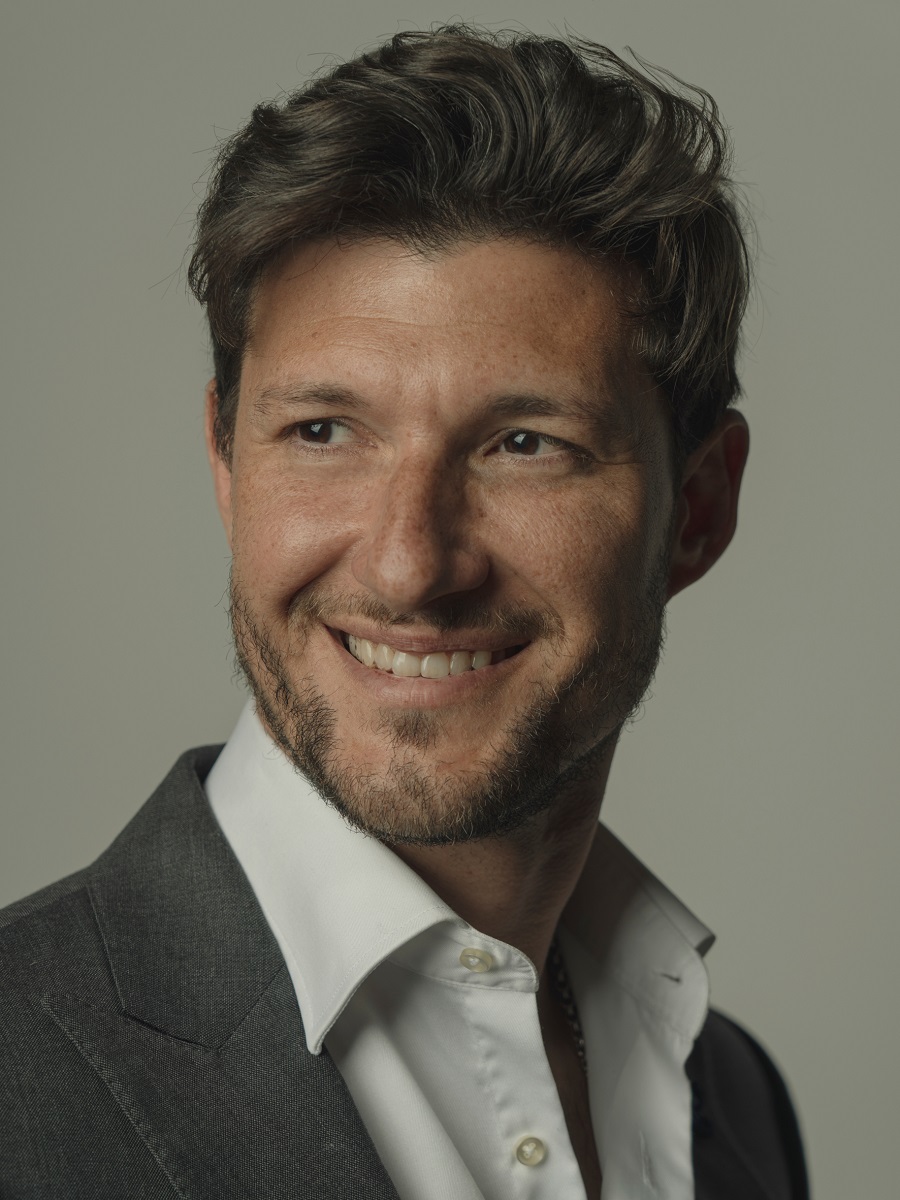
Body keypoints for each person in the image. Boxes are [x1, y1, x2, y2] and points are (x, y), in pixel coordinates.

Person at [0, 25, 808, 1200]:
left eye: (525, 444)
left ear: (699, 507)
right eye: (323, 431)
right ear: (226, 461)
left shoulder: (734, 1100)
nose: (408, 565)